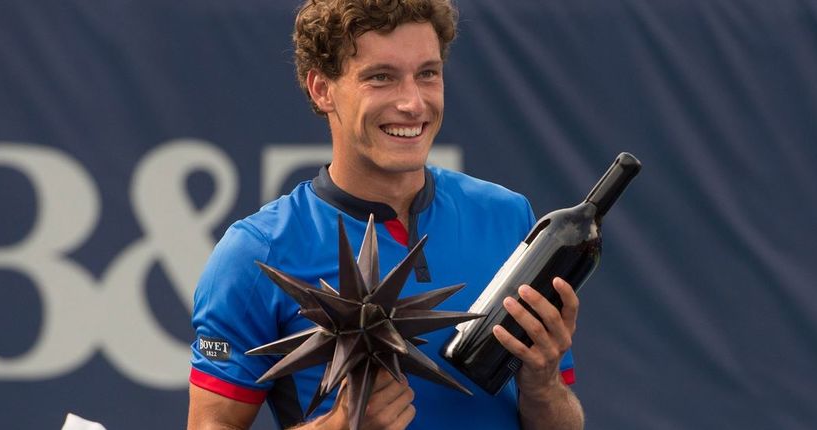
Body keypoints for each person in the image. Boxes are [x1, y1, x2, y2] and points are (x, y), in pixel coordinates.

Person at [187, 0, 584, 428]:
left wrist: (543, 384)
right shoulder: (255, 252)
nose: (413, 103)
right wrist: (341, 424)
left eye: (427, 74)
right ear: (322, 89)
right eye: (381, 78)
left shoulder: (509, 217)